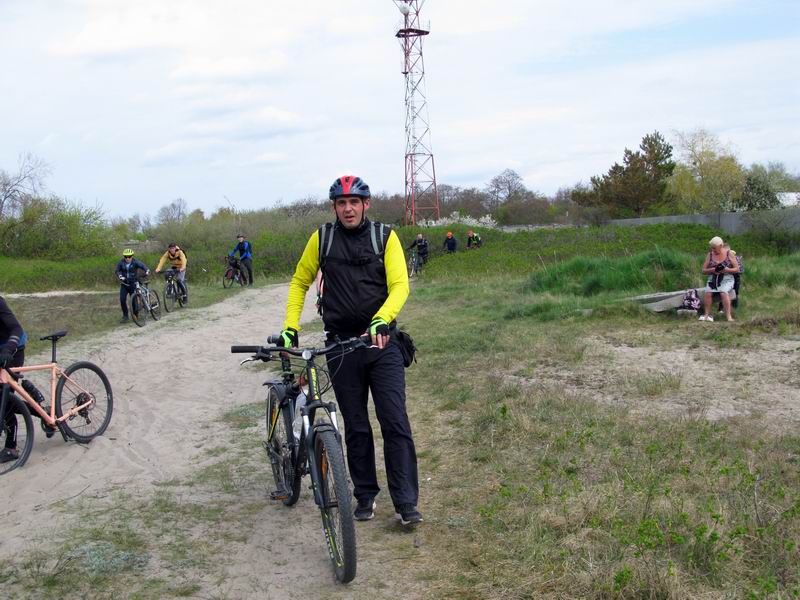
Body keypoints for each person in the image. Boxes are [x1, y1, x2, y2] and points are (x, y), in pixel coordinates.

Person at [276, 175, 422, 526]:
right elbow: (300, 281)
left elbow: (400, 284)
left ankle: (405, 502)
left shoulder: (385, 236)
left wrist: (382, 319)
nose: (348, 208)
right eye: (341, 203)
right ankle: (365, 495)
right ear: (334, 207)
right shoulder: (322, 239)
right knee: (355, 425)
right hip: (341, 344)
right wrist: (290, 326)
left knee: (394, 421)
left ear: (366, 204)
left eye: (354, 202)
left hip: (381, 343)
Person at [0, 296, 50, 463]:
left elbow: (16, 328)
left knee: (5, 398)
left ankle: (11, 447)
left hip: (12, 349)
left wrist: (8, 349)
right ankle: (44, 412)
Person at [699, 236, 738, 322]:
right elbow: (703, 270)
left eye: (715, 248)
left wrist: (726, 270)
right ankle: (706, 315)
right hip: (713, 278)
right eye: (712, 248)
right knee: (707, 293)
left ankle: (729, 317)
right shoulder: (710, 255)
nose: (713, 250)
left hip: (727, 278)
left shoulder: (729, 253)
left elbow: (737, 269)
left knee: (723, 292)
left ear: (721, 246)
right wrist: (712, 270)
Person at [115, 249, 150, 323]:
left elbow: (143, 266)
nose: (127, 258)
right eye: (126, 256)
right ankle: (125, 316)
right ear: (124, 257)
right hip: (124, 284)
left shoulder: (135, 262)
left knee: (133, 300)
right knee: (122, 300)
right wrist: (120, 276)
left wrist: (146, 270)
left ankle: (135, 315)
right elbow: (117, 270)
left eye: (129, 256)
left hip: (133, 283)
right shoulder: (121, 263)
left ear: (132, 256)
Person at [718, 245, 743, 313]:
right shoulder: (720, 258)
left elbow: (740, 270)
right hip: (724, 277)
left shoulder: (736, 258)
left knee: (735, 292)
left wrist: (730, 269)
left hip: (735, 277)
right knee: (723, 291)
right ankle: (721, 308)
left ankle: (734, 308)